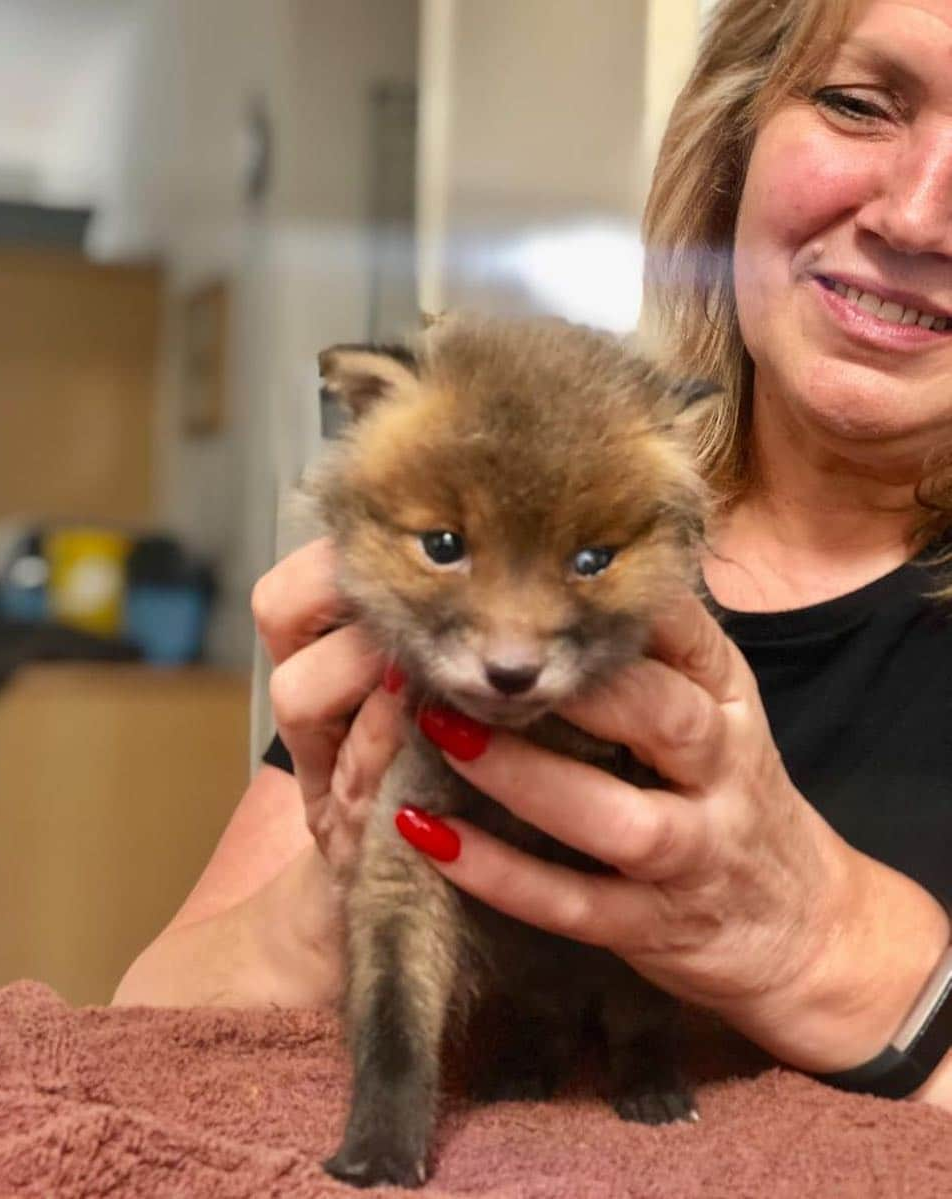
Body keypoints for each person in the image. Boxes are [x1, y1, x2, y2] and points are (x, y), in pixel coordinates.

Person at [114, 0, 952, 1110]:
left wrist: (827, 947)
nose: (919, 212)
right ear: (732, 139)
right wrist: (343, 893)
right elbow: (130, 1041)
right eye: (855, 103)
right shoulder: (453, 567)